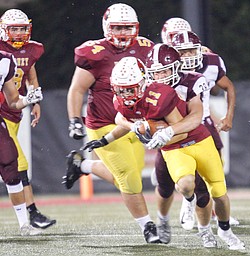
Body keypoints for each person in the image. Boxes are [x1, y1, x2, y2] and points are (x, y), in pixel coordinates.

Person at [82, 55, 245, 250]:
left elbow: (183, 128)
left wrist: (164, 134)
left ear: (141, 83)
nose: (125, 94)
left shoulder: (160, 95)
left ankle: (225, 230)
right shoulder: (121, 101)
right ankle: (188, 202)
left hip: (197, 139)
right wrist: (106, 139)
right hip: (173, 149)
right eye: (121, 89)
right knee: (185, 185)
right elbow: (122, 120)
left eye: (130, 89)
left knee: (218, 192)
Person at [65, 3, 160, 243]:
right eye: (117, 27)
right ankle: (147, 227)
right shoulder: (94, 53)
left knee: (131, 174)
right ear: (107, 27)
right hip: (104, 122)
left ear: (136, 28)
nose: (123, 32)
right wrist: (75, 120)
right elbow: (77, 89)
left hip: (134, 121)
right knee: (129, 178)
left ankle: (84, 167)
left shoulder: (147, 48)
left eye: (127, 28)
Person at [160, 17, 239, 228]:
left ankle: (216, 210)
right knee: (174, 179)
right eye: (180, 48)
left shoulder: (210, 60)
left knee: (215, 169)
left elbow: (228, 86)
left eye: (190, 49)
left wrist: (228, 116)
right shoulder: (161, 65)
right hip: (174, 124)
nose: (186, 54)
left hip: (202, 121)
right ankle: (188, 202)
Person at [0, 9, 56, 229]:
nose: (19, 32)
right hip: (3, 111)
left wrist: (35, 100)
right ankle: (32, 214)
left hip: (15, 110)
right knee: (18, 162)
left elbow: (30, 72)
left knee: (14, 162)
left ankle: (30, 215)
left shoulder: (32, 49)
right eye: (14, 28)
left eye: (23, 28)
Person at [0, 50, 43, 235]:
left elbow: (13, 101)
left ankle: (24, 224)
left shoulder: (4, 61)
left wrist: (28, 99)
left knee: (10, 164)